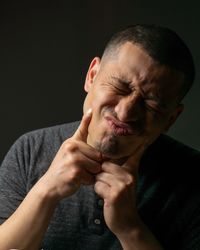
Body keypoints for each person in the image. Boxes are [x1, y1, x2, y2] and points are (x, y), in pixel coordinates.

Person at [0, 24, 199, 250]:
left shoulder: (194, 177)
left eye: (151, 104)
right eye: (120, 87)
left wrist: (129, 227)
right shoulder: (30, 149)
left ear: (171, 119)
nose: (125, 113)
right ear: (92, 76)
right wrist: (46, 191)